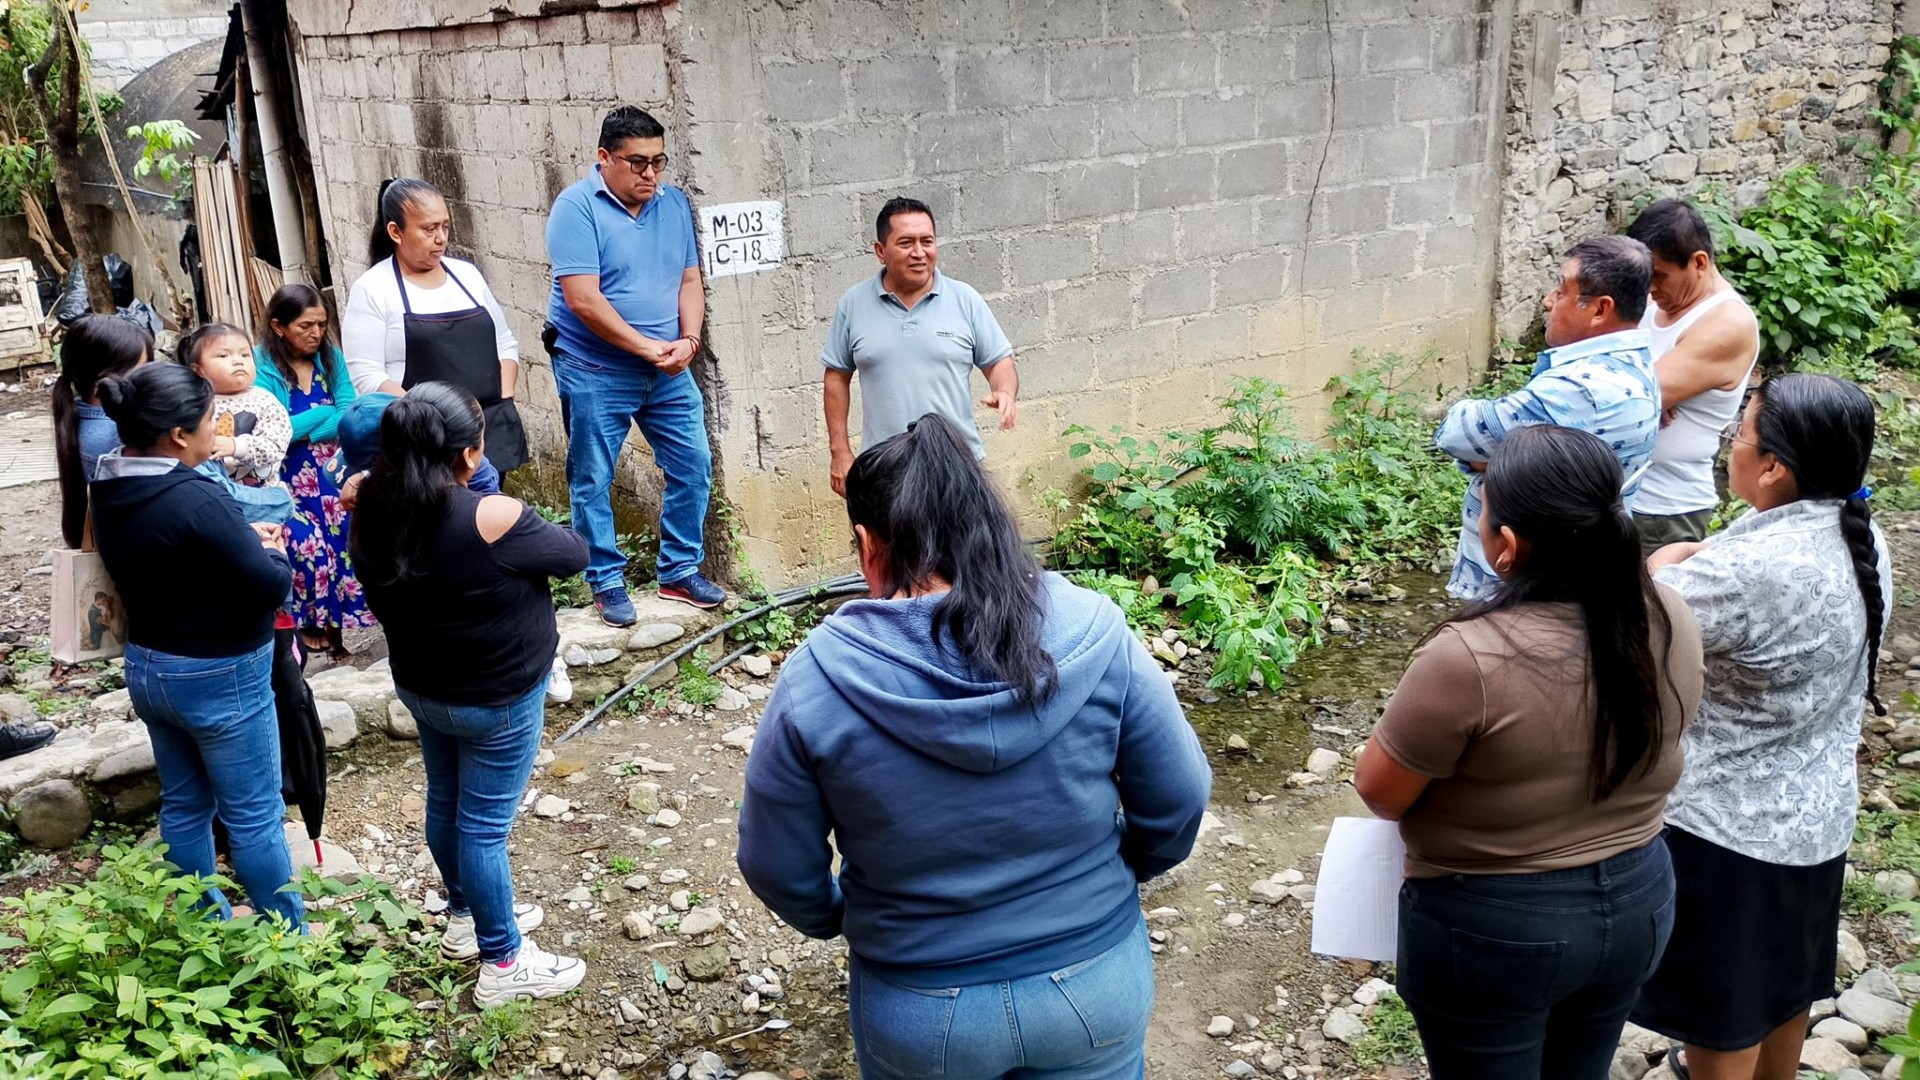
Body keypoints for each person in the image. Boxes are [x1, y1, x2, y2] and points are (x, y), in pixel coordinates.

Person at [738, 413, 1212, 1080]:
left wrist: (840, 919)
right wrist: (1118, 872)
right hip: (1095, 982)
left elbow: (774, 863)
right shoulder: (1097, 634)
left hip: (921, 1010)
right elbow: (1181, 802)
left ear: (870, 545)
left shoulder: (817, 678)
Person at [1353, 425, 1703, 1080]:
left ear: (1507, 547)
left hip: (1497, 930)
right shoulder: (1669, 612)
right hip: (1640, 897)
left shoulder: (1469, 656)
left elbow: (1380, 790)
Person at [1632, 374, 1891, 1080]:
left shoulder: (1747, 573)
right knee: (1783, 989)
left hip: (1731, 838)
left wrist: (1658, 564)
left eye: (1736, 435)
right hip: (1816, 820)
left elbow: (1634, 631)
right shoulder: (1864, 537)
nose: (1729, 449)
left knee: (1725, 1016)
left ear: (1774, 466)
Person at [348, 382, 588, 1007]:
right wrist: (481, 489)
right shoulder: (491, 514)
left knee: (447, 801)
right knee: (482, 830)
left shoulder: (368, 505)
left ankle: (463, 919)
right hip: (497, 696)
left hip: (424, 688)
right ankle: (504, 962)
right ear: (470, 455)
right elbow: (573, 555)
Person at [89, 362, 303, 926]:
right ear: (180, 434)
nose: (220, 432)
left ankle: (205, 929)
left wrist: (237, 541)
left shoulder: (109, 479)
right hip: (219, 672)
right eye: (213, 421)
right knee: (254, 814)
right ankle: (290, 940)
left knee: (184, 805)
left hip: (150, 666)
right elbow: (269, 586)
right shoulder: (195, 495)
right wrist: (272, 550)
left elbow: (173, 551)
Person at [546, 105, 722, 623]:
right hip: (595, 367)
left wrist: (689, 340)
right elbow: (583, 299)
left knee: (693, 465)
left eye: (659, 162)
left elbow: (690, 280)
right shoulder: (575, 208)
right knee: (593, 477)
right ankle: (606, 581)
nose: (651, 174)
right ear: (605, 158)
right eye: (638, 162)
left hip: (668, 366)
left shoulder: (673, 205)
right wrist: (648, 349)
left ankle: (679, 571)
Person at [1436, 235, 1662, 600]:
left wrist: (1494, 460)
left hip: (1526, 584)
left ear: (1600, 309)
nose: (1547, 301)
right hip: (1576, 575)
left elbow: (1457, 433)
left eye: (1561, 289)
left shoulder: (1581, 387)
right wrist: (1499, 458)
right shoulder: (1633, 364)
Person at [821, 197, 1019, 496]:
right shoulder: (853, 304)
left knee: (959, 544)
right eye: (905, 243)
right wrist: (840, 452)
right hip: (884, 470)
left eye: (927, 241)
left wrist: (1005, 391)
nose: (919, 253)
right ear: (880, 252)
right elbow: (836, 377)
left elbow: (999, 362)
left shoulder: (965, 300)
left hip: (956, 468)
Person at [343, 177, 527, 475]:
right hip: (423, 443)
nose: (441, 238)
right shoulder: (374, 289)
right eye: (429, 229)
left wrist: (502, 397)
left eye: (445, 226)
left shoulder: (467, 276)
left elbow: (504, 343)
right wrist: (432, 421)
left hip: (487, 431)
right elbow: (367, 376)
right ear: (395, 232)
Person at [1625, 199, 1761, 554]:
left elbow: (1624, 400)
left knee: (1653, 609)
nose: (1648, 288)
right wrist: (1643, 391)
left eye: (1659, 275)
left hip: (1664, 510)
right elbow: (1624, 390)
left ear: (1699, 262)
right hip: (1620, 497)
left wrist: (1639, 391)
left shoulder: (1726, 322)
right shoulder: (1660, 300)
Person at [255, 283, 373, 658]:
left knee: (344, 547)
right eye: (305, 325)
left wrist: (306, 424)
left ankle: (337, 635)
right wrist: (325, 415)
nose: (315, 333)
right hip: (288, 479)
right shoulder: (264, 367)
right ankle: (309, 625)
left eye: (321, 324)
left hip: (334, 474)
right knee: (307, 548)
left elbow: (349, 413)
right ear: (278, 326)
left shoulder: (331, 359)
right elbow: (273, 429)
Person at [179, 322, 293, 492]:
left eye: (245, 355)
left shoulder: (264, 401)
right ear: (198, 370)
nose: (238, 361)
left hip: (260, 495)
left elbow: (275, 446)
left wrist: (236, 446)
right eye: (224, 356)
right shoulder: (193, 403)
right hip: (209, 493)